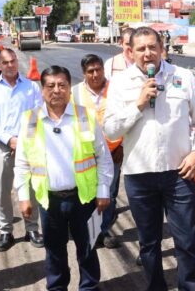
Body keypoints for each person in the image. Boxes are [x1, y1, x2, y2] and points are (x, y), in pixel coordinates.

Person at [105, 26, 195, 291]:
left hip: (179, 174)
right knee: (149, 243)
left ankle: (188, 287)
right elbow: (111, 130)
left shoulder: (183, 76)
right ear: (130, 52)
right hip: (139, 177)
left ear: (162, 48)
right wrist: (138, 104)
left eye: (152, 47)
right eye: (140, 48)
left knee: (186, 240)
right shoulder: (120, 82)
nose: (147, 53)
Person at [13, 66, 113, 290]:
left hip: (84, 198)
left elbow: (103, 157)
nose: (56, 90)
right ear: (42, 90)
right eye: (50, 86)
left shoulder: (85, 116)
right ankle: (57, 287)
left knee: (87, 248)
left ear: (69, 88)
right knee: (54, 251)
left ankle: (89, 287)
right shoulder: (30, 119)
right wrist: (23, 196)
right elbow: (22, 162)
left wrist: (103, 190)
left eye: (62, 85)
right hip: (49, 201)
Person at [0, 48, 44, 252]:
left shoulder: (31, 87)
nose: (10, 65)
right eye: (5, 62)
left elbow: (38, 115)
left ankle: (32, 228)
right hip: (1, 144)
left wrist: (23, 141)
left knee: (31, 188)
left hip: (28, 144)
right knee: (3, 190)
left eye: (13, 61)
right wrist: (10, 140)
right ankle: (6, 230)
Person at [72, 54, 124, 249]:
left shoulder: (116, 90)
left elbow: (126, 119)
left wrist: (122, 146)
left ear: (103, 69)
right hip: (85, 153)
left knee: (108, 192)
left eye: (98, 69)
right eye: (90, 71)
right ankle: (87, 231)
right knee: (86, 192)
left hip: (113, 150)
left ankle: (103, 230)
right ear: (84, 73)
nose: (95, 74)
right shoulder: (75, 93)